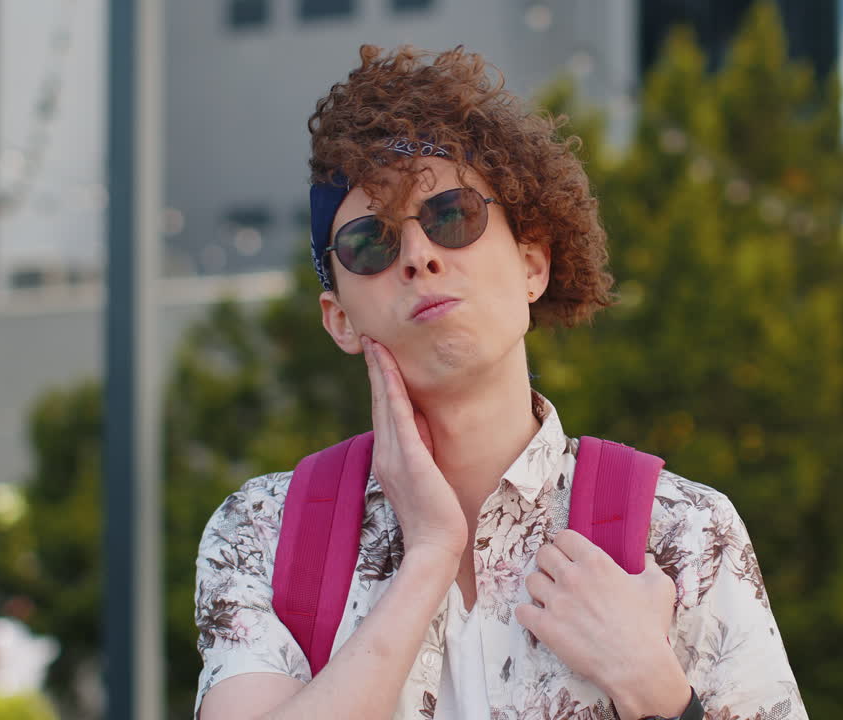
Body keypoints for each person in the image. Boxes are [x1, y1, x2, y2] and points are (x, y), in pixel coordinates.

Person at [193, 44, 807, 720]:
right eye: (371, 242)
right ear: (339, 320)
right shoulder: (264, 531)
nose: (421, 256)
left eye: (452, 216)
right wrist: (430, 555)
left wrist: (656, 691)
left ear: (532, 266)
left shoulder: (683, 530)